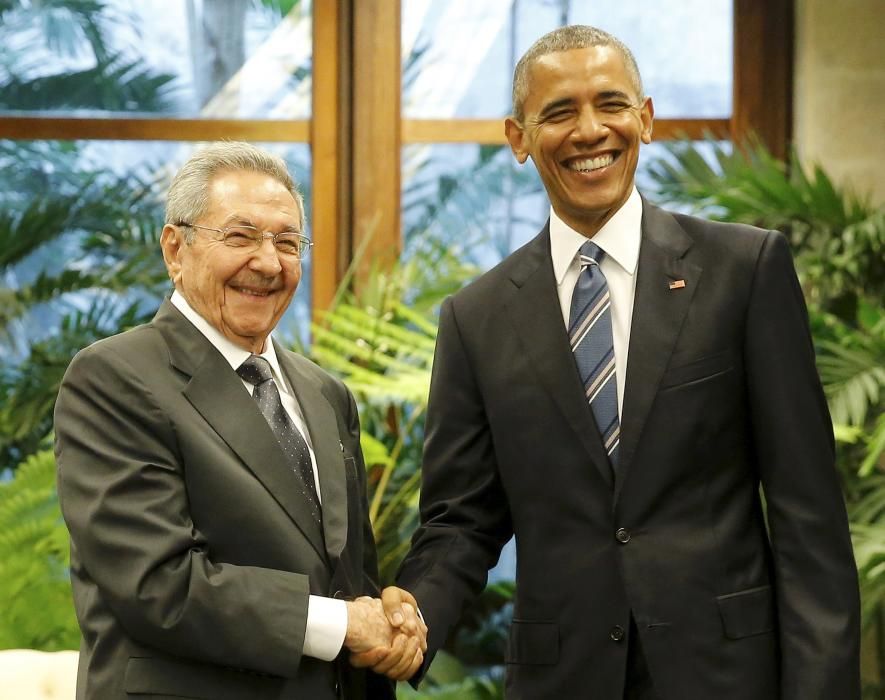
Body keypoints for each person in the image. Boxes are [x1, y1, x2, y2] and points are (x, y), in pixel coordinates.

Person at [368, 25, 861, 700]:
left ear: (645, 119)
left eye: (610, 104)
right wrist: (416, 613)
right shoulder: (475, 318)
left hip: (728, 676)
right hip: (561, 680)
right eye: (559, 112)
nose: (589, 130)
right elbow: (461, 520)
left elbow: (808, 515)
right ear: (518, 138)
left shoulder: (743, 273)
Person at [55, 142, 425, 699]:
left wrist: (389, 626)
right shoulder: (114, 378)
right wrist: (343, 624)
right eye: (240, 236)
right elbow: (159, 585)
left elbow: (350, 584)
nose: (269, 263)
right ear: (175, 249)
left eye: (287, 241)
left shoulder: (325, 393)